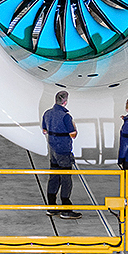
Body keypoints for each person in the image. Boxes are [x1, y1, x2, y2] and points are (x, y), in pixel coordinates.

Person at [41, 90, 82, 219]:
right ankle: (66, 208)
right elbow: (73, 134)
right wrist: (74, 127)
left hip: (52, 149)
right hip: (63, 150)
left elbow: (44, 130)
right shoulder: (66, 116)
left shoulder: (47, 113)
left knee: (54, 176)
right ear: (65, 102)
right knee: (66, 179)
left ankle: (51, 206)